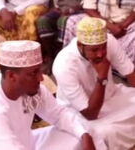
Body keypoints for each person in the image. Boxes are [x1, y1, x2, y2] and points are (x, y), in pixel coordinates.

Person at [0, 40, 96, 150]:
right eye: (33, 73)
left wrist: (84, 135)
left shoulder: (30, 89)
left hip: (27, 143)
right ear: (11, 76)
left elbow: (58, 114)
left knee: (79, 135)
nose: (41, 78)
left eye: (39, 70)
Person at [53, 17, 135, 149]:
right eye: (94, 50)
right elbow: (90, 114)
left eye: (103, 48)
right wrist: (102, 78)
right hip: (80, 112)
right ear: (80, 45)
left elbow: (130, 73)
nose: (100, 54)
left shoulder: (110, 42)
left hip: (112, 96)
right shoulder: (64, 64)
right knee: (103, 134)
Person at [62, 0, 135, 63]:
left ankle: (122, 66)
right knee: (72, 22)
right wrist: (110, 26)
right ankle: (76, 59)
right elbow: (89, 8)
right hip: (100, 19)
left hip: (126, 24)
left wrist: (122, 26)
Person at [36, 0, 83, 74]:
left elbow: (86, 4)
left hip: (80, 10)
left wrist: (71, 9)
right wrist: (57, 8)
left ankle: (60, 59)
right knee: (43, 21)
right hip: (62, 9)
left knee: (62, 21)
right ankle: (52, 57)